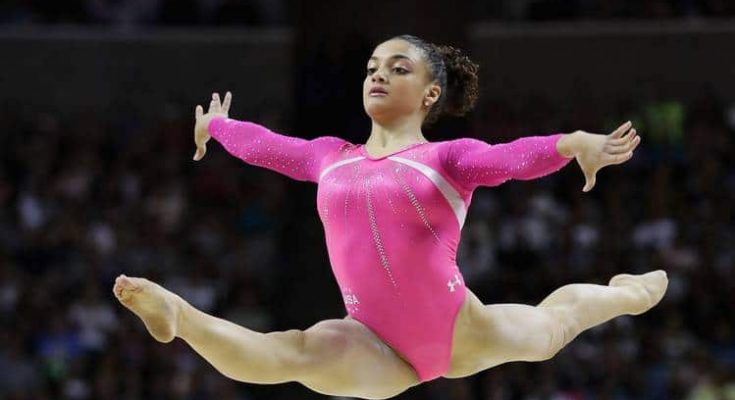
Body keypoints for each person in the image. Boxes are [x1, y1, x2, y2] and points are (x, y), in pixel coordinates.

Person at [113, 34, 667, 399]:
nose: (377, 76)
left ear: (430, 93)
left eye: (397, 69)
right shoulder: (330, 156)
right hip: (372, 344)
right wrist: (217, 129)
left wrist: (572, 144)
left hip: (455, 331)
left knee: (553, 327)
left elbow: (512, 158)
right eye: (372, 68)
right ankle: (179, 317)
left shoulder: (446, 159)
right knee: (292, 352)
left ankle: (628, 294)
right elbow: (268, 145)